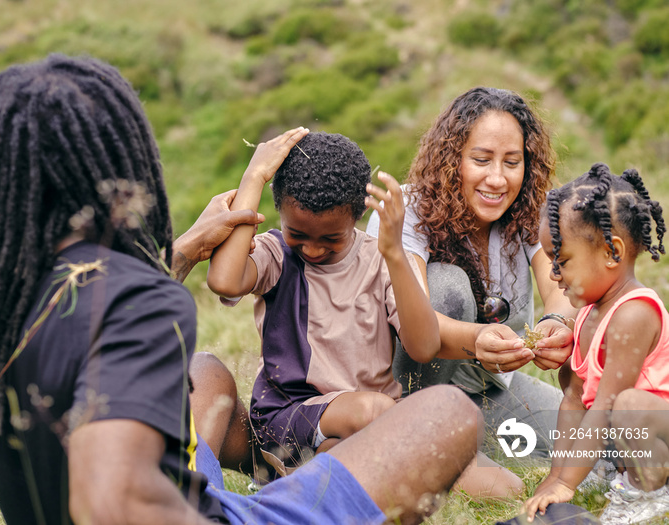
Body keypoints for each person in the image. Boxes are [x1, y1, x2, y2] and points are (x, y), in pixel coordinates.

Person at [0, 54, 480, 525]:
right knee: (449, 412)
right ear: (127, 163)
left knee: (204, 373)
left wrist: (186, 249)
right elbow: (109, 499)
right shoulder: (139, 301)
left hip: (195, 495)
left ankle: (253, 489)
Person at [205, 130, 522, 498]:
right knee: (374, 411)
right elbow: (225, 281)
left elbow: (422, 346)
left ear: (356, 217)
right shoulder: (276, 254)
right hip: (289, 417)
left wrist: (396, 255)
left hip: (369, 424)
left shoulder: (379, 259)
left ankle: (294, 484)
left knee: (506, 489)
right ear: (281, 215)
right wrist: (254, 177)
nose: (312, 249)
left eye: (330, 239)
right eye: (299, 233)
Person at [366, 87, 576, 455]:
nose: (497, 179)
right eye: (481, 160)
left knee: (594, 443)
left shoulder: (530, 210)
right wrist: (478, 342)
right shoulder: (406, 210)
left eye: (512, 162)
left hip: (486, 389)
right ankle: (413, 440)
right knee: (448, 286)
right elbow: (415, 324)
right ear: (451, 159)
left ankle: (466, 442)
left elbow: (562, 282)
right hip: (404, 391)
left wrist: (558, 321)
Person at [524, 163, 669, 524]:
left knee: (626, 404)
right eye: (551, 261)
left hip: (656, 432)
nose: (554, 274)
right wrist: (557, 480)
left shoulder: (634, 313)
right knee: (573, 382)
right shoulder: (589, 313)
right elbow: (574, 401)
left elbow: (606, 407)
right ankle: (619, 472)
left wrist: (566, 485)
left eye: (564, 260)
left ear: (611, 253)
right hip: (631, 436)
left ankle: (647, 492)